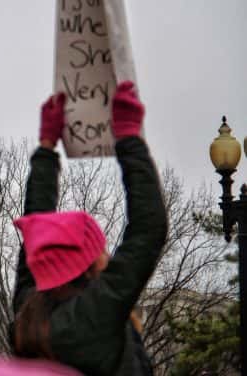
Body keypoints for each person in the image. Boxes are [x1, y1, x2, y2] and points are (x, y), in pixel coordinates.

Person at [11, 81, 168, 376]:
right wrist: (129, 139)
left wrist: (46, 147)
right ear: (90, 263)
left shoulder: (27, 314)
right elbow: (148, 231)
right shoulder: (97, 311)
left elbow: (35, 226)